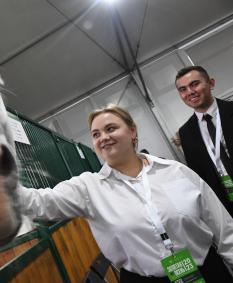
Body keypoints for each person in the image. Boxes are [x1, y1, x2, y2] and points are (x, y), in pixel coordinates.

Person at [17, 105, 233, 283]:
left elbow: (223, 228)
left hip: (208, 272)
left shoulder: (175, 171)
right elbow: (40, 203)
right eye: (96, 134)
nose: (103, 137)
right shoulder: (88, 188)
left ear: (132, 131)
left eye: (111, 128)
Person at [176, 66, 233, 216]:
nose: (189, 92)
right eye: (183, 89)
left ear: (211, 83)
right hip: (225, 204)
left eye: (194, 84)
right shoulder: (185, 132)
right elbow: (199, 175)